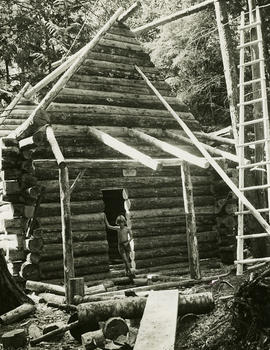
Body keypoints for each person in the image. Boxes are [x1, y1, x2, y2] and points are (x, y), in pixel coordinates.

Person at [104, 213, 135, 278]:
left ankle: (126, 273)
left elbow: (132, 236)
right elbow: (108, 226)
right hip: (121, 246)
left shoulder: (127, 229)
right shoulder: (118, 228)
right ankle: (130, 272)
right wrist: (105, 217)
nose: (121, 224)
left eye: (122, 222)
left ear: (124, 222)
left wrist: (128, 242)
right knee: (125, 260)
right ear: (118, 223)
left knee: (126, 260)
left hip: (127, 245)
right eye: (119, 223)